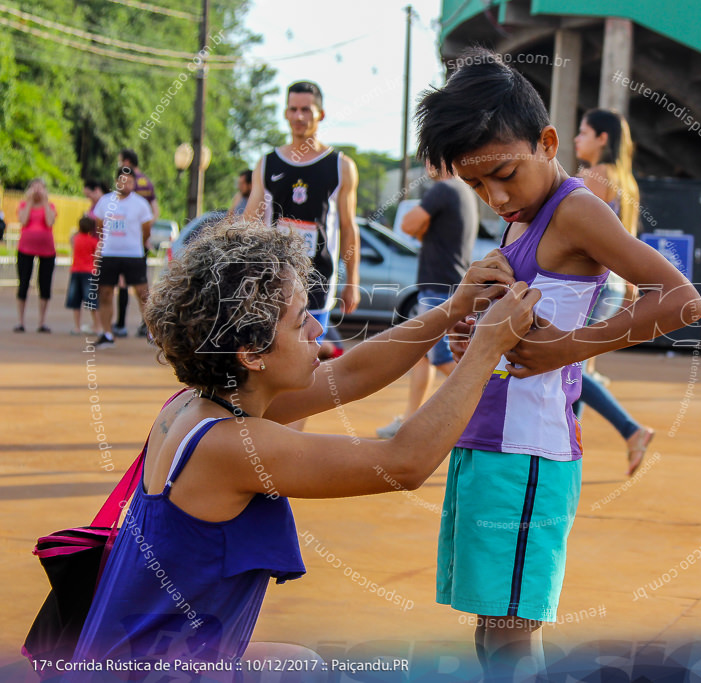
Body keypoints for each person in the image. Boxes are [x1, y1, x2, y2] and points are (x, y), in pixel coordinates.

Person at [68, 221, 537, 674]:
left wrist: (455, 307)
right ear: (251, 354)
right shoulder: (231, 445)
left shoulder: (199, 405)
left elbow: (351, 374)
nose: (317, 328)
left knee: (303, 668)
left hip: (142, 657)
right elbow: (404, 463)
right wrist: (486, 349)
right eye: (298, 322)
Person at [416, 48, 701, 680]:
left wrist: (572, 347)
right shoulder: (517, 221)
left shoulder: (573, 208)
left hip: (529, 452)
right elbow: (516, 326)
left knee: (514, 635)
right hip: (486, 444)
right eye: (475, 185)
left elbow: (682, 299)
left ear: (548, 142)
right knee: (492, 633)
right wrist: (475, 334)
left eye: (505, 174)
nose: (495, 196)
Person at [244, 80, 361, 366]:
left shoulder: (340, 167)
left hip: (317, 278)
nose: (299, 117)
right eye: (293, 109)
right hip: (273, 276)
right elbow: (249, 221)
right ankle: (268, 413)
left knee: (305, 362)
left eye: (306, 110)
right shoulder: (268, 164)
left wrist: (353, 281)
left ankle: (298, 412)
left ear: (320, 114)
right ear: (285, 113)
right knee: (269, 358)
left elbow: (349, 226)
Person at [573, 107, 655, 475]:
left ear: (602, 139)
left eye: (584, 132)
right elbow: (629, 240)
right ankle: (566, 445)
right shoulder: (625, 178)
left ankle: (630, 429)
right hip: (614, 282)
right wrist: (630, 287)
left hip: (593, 281)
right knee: (574, 366)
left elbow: (580, 233)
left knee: (565, 363)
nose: (577, 138)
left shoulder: (594, 176)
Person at [377, 163, 478, 438]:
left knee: (442, 355)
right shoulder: (463, 190)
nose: (426, 166)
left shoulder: (443, 189)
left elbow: (408, 225)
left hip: (438, 287)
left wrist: (420, 223)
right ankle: (409, 422)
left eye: (428, 159)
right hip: (447, 285)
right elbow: (418, 229)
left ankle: (485, 406)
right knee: (422, 355)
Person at [93, 167, 153, 349]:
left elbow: (147, 229)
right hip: (109, 254)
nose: (126, 184)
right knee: (105, 293)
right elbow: (99, 225)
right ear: (117, 181)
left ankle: (152, 333)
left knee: (143, 294)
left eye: (130, 181)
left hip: (133, 254)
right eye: (123, 180)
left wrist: (139, 244)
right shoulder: (105, 201)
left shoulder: (141, 204)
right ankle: (107, 334)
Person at [14, 178, 57, 333]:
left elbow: (50, 221)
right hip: (25, 249)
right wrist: (30, 201)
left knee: (44, 285)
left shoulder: (50, 206)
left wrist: (45, 201)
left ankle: (42, 322)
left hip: (47, 250)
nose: (37, 190)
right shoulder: (24, 205)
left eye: (41, 188)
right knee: (23, 283)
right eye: (34, 187)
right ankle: (20, 321)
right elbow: (23, 221)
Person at [66, 215, 101, 334]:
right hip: (89, 271)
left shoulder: (76, 238)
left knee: (76, 300)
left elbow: (71, 239)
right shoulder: (93, 241)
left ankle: (77, 326)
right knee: (92, 300)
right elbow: (97, 256)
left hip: (76, 271)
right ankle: (97, 326)